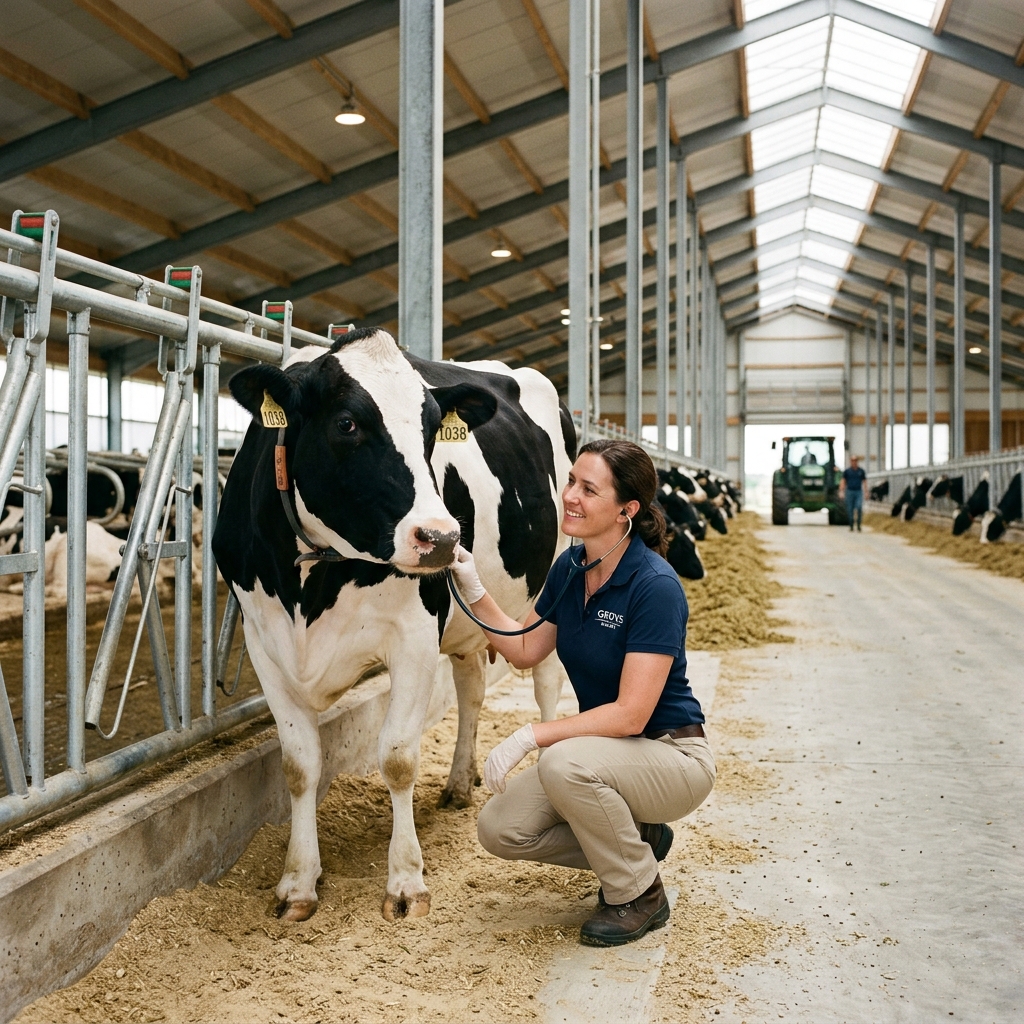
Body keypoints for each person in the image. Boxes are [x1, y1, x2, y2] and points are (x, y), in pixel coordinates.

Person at [450, 439, 715, 948]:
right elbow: (525, 648)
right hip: (610, 756)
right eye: (571, 481)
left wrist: (533, 734)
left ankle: (638, 893)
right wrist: (471, 585)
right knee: (501, 828)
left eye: (588, 489)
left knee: (562, 761)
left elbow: (632, 715)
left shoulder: (654, 585)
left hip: (673, 755)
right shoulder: (570, 569)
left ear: (626, 511)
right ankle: (637, 840)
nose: (570, 495)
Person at [840, 455, 867, 531]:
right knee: (850, 509)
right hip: (850, 491)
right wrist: (841, 491)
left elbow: (864, 482)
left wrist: (866, 492)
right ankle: (851, 524)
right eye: (852, 461)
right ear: (850, 462)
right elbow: (843, 481)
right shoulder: (847, 471)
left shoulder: (861, 471)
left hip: (858, 491)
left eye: (855, 461)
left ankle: (858, 524)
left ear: (857, 462)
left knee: (859, 507)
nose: (854, 462)